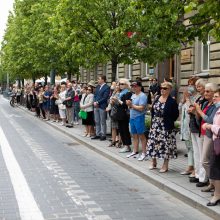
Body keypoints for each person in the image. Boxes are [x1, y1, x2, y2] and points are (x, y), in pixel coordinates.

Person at [146, 81, 179, 173]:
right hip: (155, 124)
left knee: (166, 145)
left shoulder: (172, 101)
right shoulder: (157, 98)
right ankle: (153, 162)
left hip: (165, 126)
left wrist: (167, 120)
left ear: (169, 90)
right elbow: (153, 110)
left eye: (165, 88)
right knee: (153, 143)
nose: (162, 90)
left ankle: (165, 165)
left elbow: (176, 115)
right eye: (161, 88)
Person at [194, 83, 219, 188]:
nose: (205, 93)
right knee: (204, 159)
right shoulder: (205, 103)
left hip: (210, 134)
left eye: (208, 91)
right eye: (205, 91)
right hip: (202, 133)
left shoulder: (215, 106)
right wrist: (196, 112)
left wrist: (199, 111)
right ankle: (212, 183)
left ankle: (213, 182)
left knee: (205, 160)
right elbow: (199, 119)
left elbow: (209, 120)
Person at [202, 89, 220, 206]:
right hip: (217, 142)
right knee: (214, 168)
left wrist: (209, 126)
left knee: (215, 168)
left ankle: (217, 195)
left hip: (218, 142)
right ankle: (217, 194)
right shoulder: (218, 110)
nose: (214, 98)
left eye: (217, 96)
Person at [188, 79, 207, 184]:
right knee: (196, 152)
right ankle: (198, 173)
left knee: (201, 153)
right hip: (194, 127)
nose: (197, 88)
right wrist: (191, 110)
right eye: (197, 86)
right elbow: (194, 108)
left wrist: (195, 111)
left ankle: (203, 177)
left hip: (200, 128)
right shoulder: (199, 98)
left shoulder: (206, 100)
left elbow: (201, 115)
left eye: (199, 86)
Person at [126, 81, 148, 161]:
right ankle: (135, 151)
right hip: (132, 117)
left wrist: (131, 105)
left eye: (135, 86)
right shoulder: (133, 95)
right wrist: (129, 105)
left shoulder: (142, 96)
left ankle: (144, 152)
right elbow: (131, 107)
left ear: (139, 87)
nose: (133, 88)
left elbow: (141, 108)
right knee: (134, 135)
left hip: (139, 117)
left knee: (141, 135)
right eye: (132, 86)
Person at [112, 78, 132, 153]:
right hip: (119, 113)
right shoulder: (121, 93)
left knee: (125, 130)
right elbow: (118, 104)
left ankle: (127, 145)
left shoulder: (128, 93)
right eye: (120, 84)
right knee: (121, 130)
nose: (120, 85)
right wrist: (114, 101)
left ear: (126, 85)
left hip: (124, 114)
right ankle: (125, 145)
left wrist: (118, 100)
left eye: (122, 84)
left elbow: (125, 105)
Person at [92, 75, 110, 141]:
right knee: (97, 121)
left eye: (99, 79)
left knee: (102, 121)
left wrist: (98, 102)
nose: (98, 80)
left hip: (102, 106)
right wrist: (94, 102)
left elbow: (105, 97)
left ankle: (103, 135)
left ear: (103, 80)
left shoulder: (107, 87)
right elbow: (95, 95)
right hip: (96, 105)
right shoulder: (98, 86)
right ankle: (98, 134)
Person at [106, 82, 121, 147]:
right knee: (113, 127)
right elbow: (110, 100)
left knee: (119, 128)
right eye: (116, 85)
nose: (117, 86)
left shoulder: (120, 93)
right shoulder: (114, 92)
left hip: (118, 112)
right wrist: (110, 104)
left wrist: (114, 101)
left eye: (118, 85)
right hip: (113, 111)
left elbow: (120, 103)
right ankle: (113, 140)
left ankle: (119, 142)